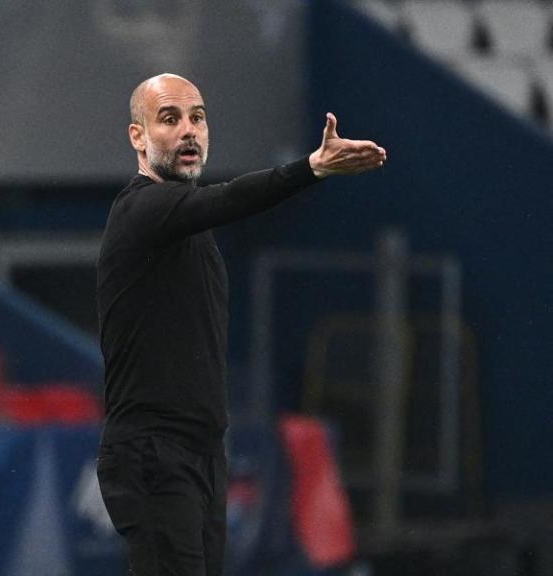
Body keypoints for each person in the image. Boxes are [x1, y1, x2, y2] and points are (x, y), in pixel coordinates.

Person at [94, 73, 386, 576]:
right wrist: (312, 168)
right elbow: (227, 198)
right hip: (152, 452)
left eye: (198, 118)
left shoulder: (191, 230)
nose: (189, 130)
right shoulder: (140, 210)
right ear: (137, 137)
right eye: (169, 119)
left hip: (203, 452)